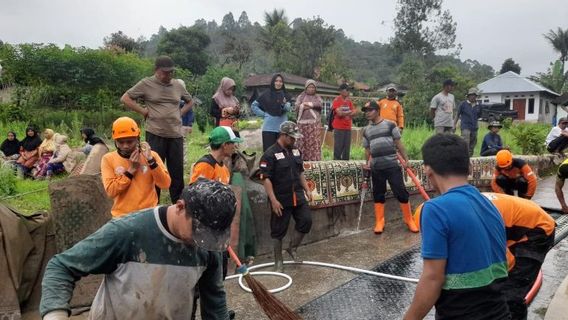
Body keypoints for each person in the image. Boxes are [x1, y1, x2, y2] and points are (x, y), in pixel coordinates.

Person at [39, 179, 235, 320]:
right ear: (180, 207)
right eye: (199, 232)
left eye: (210, 236)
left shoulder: (208, 245)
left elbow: (214, 299)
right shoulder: (128, 232)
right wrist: (55, 314)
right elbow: (61, 267)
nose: (202, 241)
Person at [404, 134, 509, 320]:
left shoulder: (434, 209)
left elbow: (432, 278)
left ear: (428, 171)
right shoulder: (488, 204)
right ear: (469, 167)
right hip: (500, 312)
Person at [121, 55, 192, 203]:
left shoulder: (178, 85)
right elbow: (125, 98)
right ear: (156, 70)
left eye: (171, 72)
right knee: (154, 169)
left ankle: (178, 204)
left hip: (175, 134)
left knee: (176, 172)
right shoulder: (146, 83)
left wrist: (180, 113)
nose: (168, 75)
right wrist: (143, 111)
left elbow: (190, 101)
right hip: (155, 133)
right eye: (165, 72)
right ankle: (153, 203)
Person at [189, 126, 242, 320]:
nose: (235, 148)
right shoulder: (204, 166)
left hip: (218, 232)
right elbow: (194, 198)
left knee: (217, 277)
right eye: (233, 144)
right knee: (200, 281)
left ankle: (215, 314)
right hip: (203, 233)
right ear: (225, 145)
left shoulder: (222, 168)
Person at [482, 192, 555, 320]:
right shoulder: (458, 210)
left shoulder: (474, 222)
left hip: (538, 229)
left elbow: (506, 262)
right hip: (514, 224)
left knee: (511, 291)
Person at [259, 121, 313, 272]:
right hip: (281, 199)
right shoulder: (269, 154)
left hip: (298, 195)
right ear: (283, 135)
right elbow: (266, 178)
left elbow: (300, 172)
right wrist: (273, 200)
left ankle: (292, 248)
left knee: (306, 221)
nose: (294, 140)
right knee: (278, 230)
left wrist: (307, 189)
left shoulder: (296, 151)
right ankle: (278, 261)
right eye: (291, 138)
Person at [361, 101, 417, 234]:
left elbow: (399, 144)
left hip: (392, 165)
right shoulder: (366, 130)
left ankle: (409, 220)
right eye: (366, 111)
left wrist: (406, 160)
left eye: (370, 110)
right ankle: (380, 221)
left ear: (377, 110)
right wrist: (367, 163)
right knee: (378, 194)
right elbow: (367, 149)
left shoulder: (390, 125)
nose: (367, 113)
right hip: (377, 167)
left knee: (401, 192)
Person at [101, 117, 171, 218]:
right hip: (122, 217)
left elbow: (165, 184)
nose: (125, 146)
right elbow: (111, 191)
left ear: (137, 139)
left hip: (148, 214)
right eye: (120, 142)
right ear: (115, 141)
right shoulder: (108, 159)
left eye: (129, 142)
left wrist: (151, 162)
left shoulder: (152, 156)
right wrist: (131, 170)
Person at [251, 73, 292, 152]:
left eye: (280, 81)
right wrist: (264, 115)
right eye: (276, 81)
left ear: (283, 83)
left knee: (283, 153)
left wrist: (284, 103)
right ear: (273, 82)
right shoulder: (266, 94)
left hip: (283, 129)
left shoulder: (286, 95)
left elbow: (287, 108)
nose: (278, 83)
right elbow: (254, 106)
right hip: (269, 129)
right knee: (269, 153)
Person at [295, 79, 323, 161]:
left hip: (314, 124)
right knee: (302, 142)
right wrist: (305, 106)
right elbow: (297, 106)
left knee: (313, 143)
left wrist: (307, 104)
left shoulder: (317, 97)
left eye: (313, 87)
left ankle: (314, 160)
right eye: (309, 87)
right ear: (306, 88)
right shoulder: (301, 96)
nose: (311, 89)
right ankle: (302, 161)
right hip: (302, 124)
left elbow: (319, 104)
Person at [331, 83, 356, 160]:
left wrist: (346, 112)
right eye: (346, 90)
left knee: (346, 149)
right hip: (339, 127)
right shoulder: (337, 100)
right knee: (338, 148)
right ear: (341, 91)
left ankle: (346, 167)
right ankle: (336, 166)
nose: (348, 91)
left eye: (349, 90)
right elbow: (339, 113)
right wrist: (349, 112)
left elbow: (355, 112)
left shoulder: (349, 101)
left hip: (348, 127)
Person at [454, 87, 481, 156]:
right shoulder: (463, 104)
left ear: (476, 96)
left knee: (472, 144)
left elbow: (479, 116)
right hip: (465, 126)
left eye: (474, 95)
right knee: (465, 143)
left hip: (474, 127)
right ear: (468, 96)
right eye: (471, 95)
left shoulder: (479, 105)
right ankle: (463, 157)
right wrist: (454, 125)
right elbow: (457, 114)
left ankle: (470, 159)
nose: (473, 97)